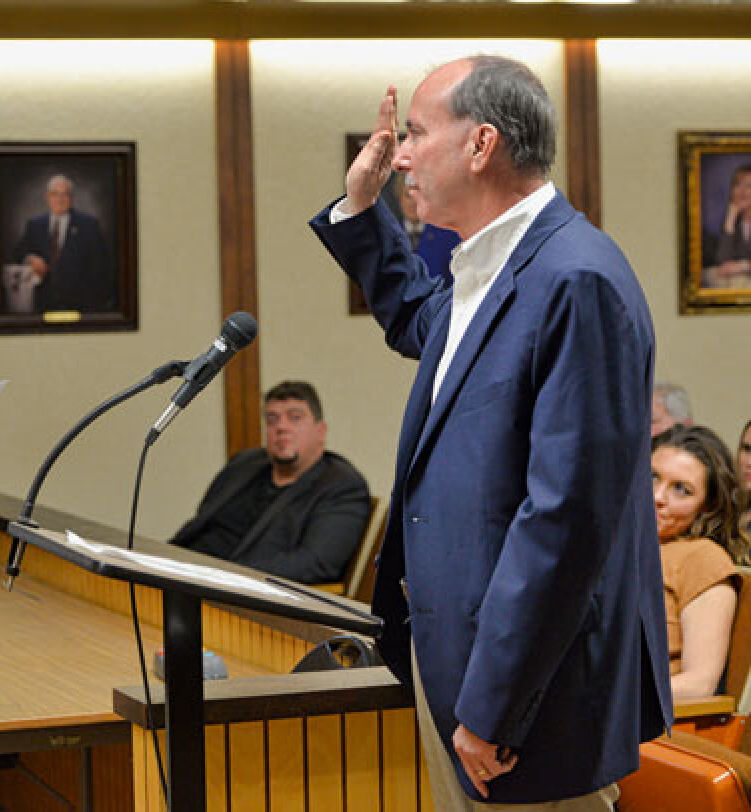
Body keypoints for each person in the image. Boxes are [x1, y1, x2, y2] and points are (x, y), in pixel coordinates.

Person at [309, 55, 671, 809]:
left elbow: (567, 518)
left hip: (525, 697)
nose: (399, 155)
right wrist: (363, 207)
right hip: (462, 665)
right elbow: (418, 319)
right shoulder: (492, 265)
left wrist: (496, 704)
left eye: (415, 134)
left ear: (480, 145)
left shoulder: (575, 278)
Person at [169, 381, 371, 584]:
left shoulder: (341, 486)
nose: (281, 427)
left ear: (321, 431)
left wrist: (225, 574)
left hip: (234, 589)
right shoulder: (244, 463)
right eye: (272, 419)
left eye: (295, 418)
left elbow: (315, 563)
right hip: (181, 571)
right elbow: (201, 522)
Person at [651, 425, 746, 701]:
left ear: (708, 506)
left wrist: (606, 703)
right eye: (652, 477)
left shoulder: (703, 558)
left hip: (638, 717)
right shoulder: (612, 542)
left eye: (681, 489)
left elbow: (699, 684)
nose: (657, 497)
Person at [12, 173, 113, 313]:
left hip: (81, 305)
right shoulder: (35, 225)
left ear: (71, 198)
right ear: (48, 197)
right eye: (55, 194)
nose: (60, 199)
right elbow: (17, 253)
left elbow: (101, 268)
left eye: (65, 194)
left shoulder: (89, 225)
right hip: (42, 304)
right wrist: (30, 259)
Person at [392, 170, 460, 286]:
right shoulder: (389, 237)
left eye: (418, 194)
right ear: (399, 198)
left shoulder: (448, 236)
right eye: (408, 195)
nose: (413, 202)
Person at [705, 164, 751, 288]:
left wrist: (742, 266)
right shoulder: (734, 221)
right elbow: (722, 261)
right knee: (709, 275)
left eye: (748, 186)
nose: (741, 191)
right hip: (740, 280)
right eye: (737, 185)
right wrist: (730, 220)